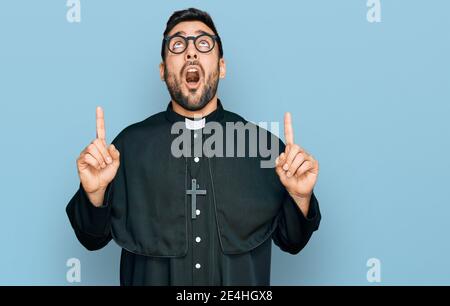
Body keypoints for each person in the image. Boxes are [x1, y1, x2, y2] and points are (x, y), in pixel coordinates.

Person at [66, 7, 321, 286]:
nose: (190, 52)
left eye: (203, 42)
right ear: (163, 71)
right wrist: (94, 193)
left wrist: (300, 197)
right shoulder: (126, 148)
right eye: (177, 44)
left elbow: (293, 242)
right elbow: (91, 239)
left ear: (221, 67)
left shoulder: (264, 148)